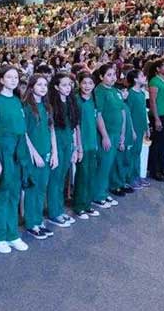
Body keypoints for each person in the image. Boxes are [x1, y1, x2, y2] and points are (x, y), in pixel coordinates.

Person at [0, 66, 29, 253]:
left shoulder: (18, 101)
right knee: (2, 194)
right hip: (3, 149)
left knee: (14, 193)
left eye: (16, 77)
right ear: (1, 80)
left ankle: (12, 234)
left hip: (19, 150)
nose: (13, 80)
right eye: (9, 77)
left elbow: (22, 129)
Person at [22, 74, 56, 239]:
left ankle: (38, 219)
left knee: (42, 188)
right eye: (39, 84)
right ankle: (31, 223)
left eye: (45, 85)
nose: (43, 88)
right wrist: (34, 154)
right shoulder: (27, 107)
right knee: (33, 189)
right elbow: (25, 134)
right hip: (34, 155)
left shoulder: (47, 106)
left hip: (47, 152)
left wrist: (54, 152)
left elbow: (51, 130)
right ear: (32, 86)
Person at [47, 72, 79, 226]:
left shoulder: (71, 102)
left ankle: (59, 209)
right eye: (64, 85)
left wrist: (75, 147)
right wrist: (54, 152)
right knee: (55, 179)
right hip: (57, 145)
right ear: (56, 87)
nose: (68, 88)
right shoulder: (52, 105)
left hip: (68, 144)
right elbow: (52, 129)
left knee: (62, 179)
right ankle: (54, 212)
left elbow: (73, 128)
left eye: (70, 85)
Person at [92, 64, 124, 207]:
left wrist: (122, 134)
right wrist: (104, 136)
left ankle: (104, 192)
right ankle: (98, 195)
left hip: (117, 133)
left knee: (109, 165)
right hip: (107, 134)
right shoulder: (99, 91)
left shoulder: (116, 91)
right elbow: (98, 115)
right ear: (101, 77)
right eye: (109, 75)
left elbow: (122, 111)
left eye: (114, 74)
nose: (113, 77)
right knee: (103, 165)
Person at [73, 72, 101, 218]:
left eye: (90, 83)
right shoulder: (77, 100)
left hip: (92, 142)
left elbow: (96, 119)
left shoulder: (93, 100)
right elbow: (76, 125)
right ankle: (79, 205)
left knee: (91, 174)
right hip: (82, 144)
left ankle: (88, 204)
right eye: (84, 83)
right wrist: (78, 147)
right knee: (82, 175)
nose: (87, 86)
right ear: (79, 84)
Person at [146, 59, 164, 181]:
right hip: (160, 115)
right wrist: (157, 118)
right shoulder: (154, 81)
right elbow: (153, 101)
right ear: (158, 69)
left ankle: (163, 168)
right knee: (157, 143)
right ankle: (154, 169)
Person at [126, 69, 151, 189]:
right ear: (135, 79)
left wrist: (147, 127)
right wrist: (131, 130)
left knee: (138, 152)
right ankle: (130, 178)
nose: (144, 77)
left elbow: (143, 112)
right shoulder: (131, 93)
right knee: (132, 154)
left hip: (141, 127)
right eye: (141, 76)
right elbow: (128, 113)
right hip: (134, 128)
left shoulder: (141, 93)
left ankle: (137, 175)